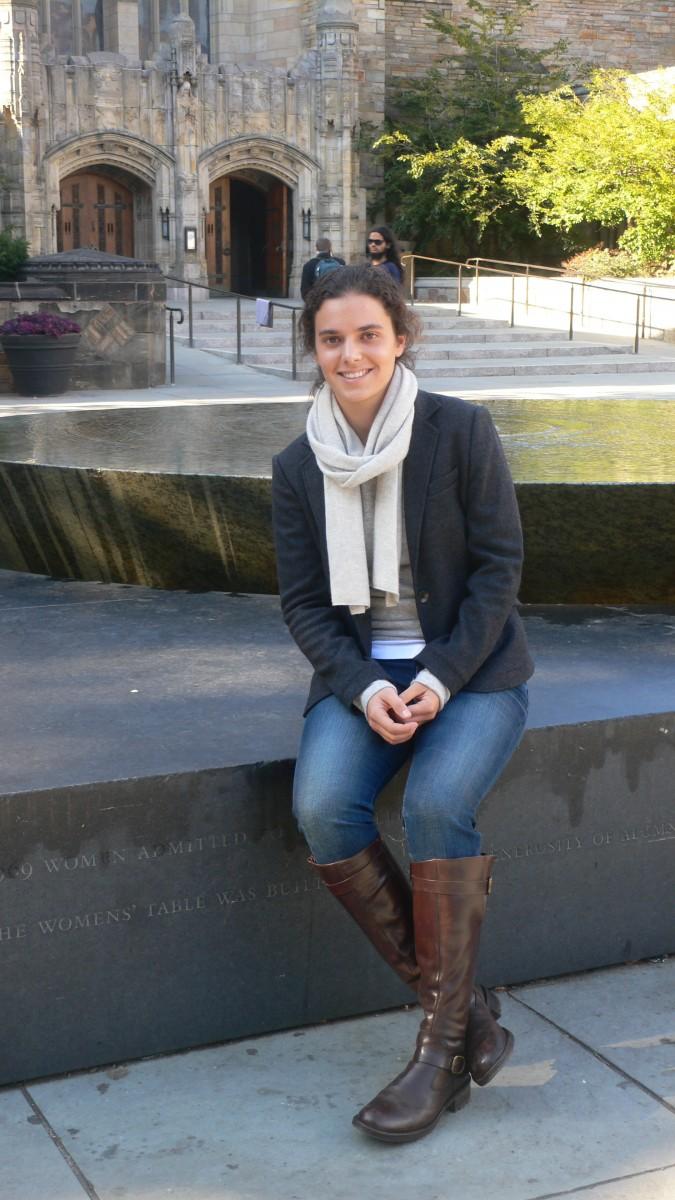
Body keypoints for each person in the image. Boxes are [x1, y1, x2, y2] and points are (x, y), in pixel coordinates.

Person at [271, 264, 533, 1145]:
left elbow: (498, 569)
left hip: (472, 673)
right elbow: (306, 604)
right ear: (314, 350)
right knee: (321, 808)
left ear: (401, 339)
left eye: (367, 335)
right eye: (331, 339)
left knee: (434, 803)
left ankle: (435, 1056)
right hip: (362, 679)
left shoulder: (458, 431)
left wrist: (441, 677)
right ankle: (468, 1023)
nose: (350, 354)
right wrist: (365, 686)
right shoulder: (296, 463)